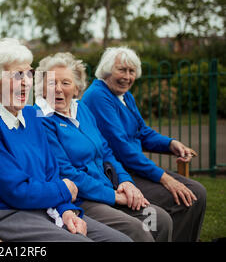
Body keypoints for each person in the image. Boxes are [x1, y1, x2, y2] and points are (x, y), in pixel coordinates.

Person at [0, 38, 132, 242]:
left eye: (28, 74)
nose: (26, 82)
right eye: (17, 75)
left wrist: (66, 210)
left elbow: (50, 171)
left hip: (39, 207)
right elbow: (14, 190)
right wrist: (64, 190)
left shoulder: (31, 115)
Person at [33, 52, 172, 242]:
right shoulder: (41, 118)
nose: (57, 89)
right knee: (138, 229)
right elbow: (66, 172)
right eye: (51, 83)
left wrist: (125, 182)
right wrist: (113, 196)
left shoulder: (81, 109)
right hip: (83, 199)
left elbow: (106, 151)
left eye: (65, 83)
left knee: (160, 219)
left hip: (110, 188)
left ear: (76, 88)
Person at [82, 46, 207, 242]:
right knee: (188, 198)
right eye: (122, 70)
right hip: (119, 174)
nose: (127, 77)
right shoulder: (98, 96)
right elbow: (122, 149)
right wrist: (165, 178)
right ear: (107, 70)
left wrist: (171, 143)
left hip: (134, 168)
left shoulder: (125, 96)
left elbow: (143, 132)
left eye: (132, 71)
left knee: (196, 192)